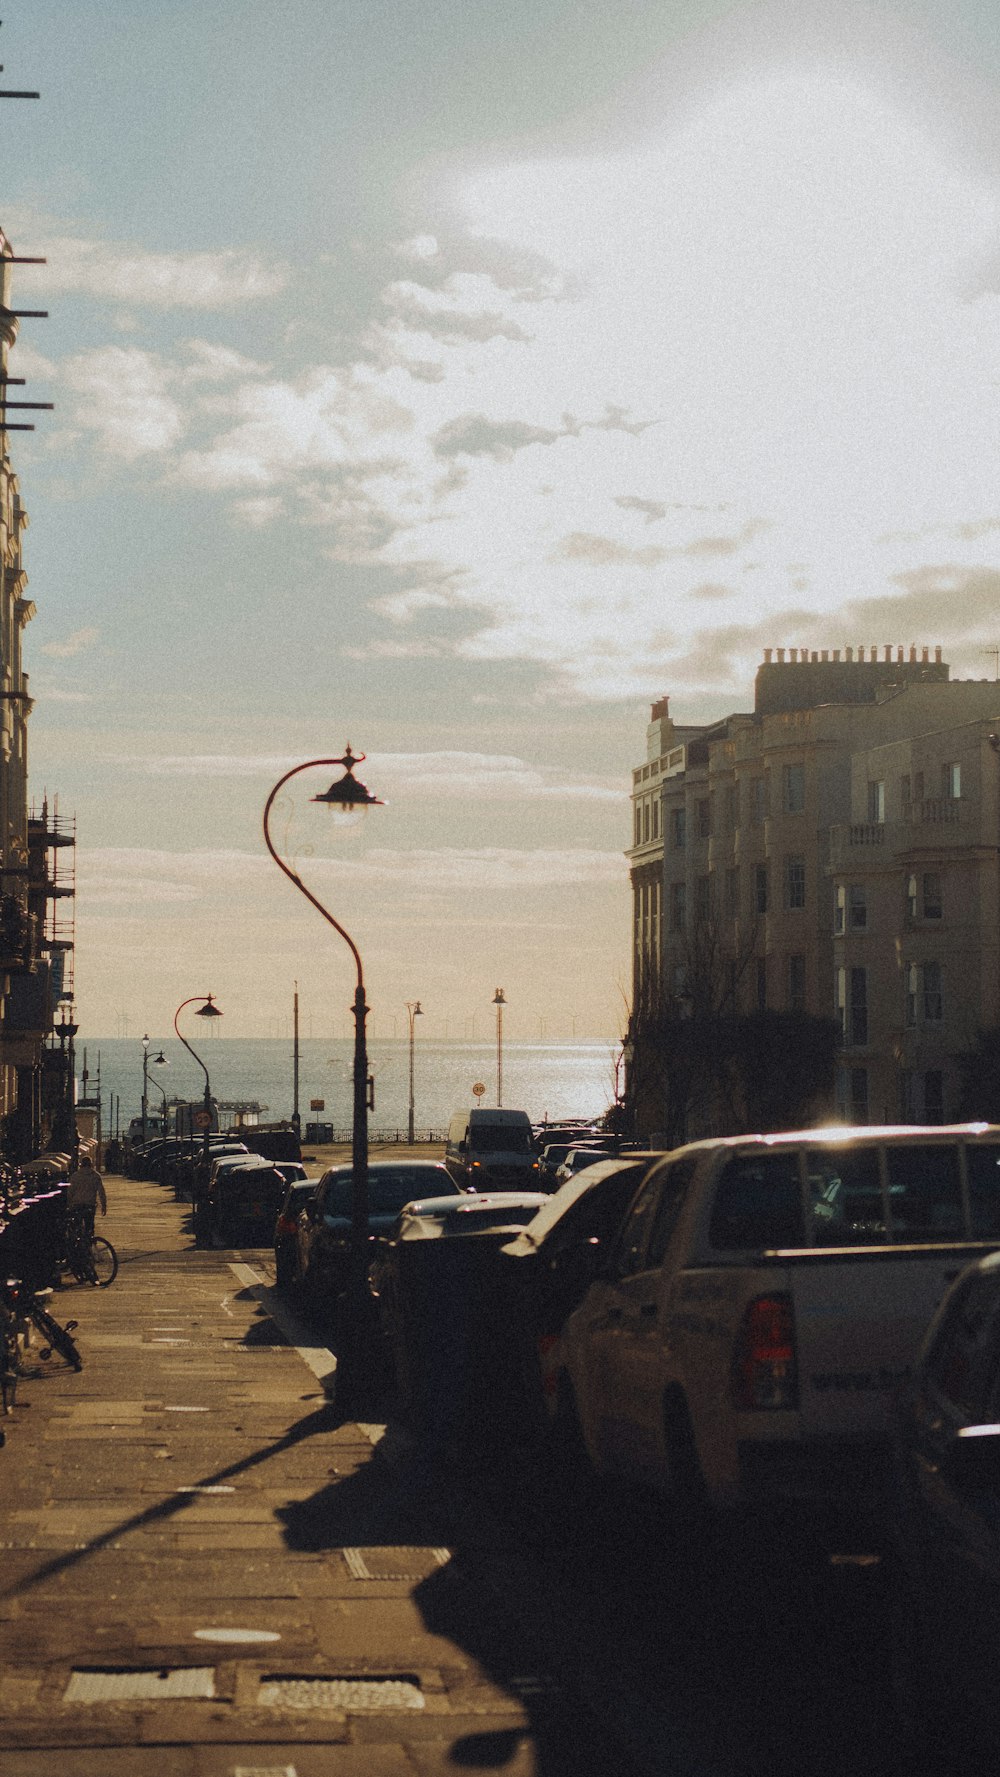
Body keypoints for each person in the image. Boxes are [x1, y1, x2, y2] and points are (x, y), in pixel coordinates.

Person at [65, 1154, 107, 1241]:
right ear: (91, 1164)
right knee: (89, 1226)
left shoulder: (75, 1176)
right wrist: (104, 1205)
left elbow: (70, 1191)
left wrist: (69, 1204)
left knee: (76, 1226)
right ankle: (89, 1243)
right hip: (90, 1204)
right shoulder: (95, 1176)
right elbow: (101, 1192)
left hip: (77, 1204)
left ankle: (77, 1243)